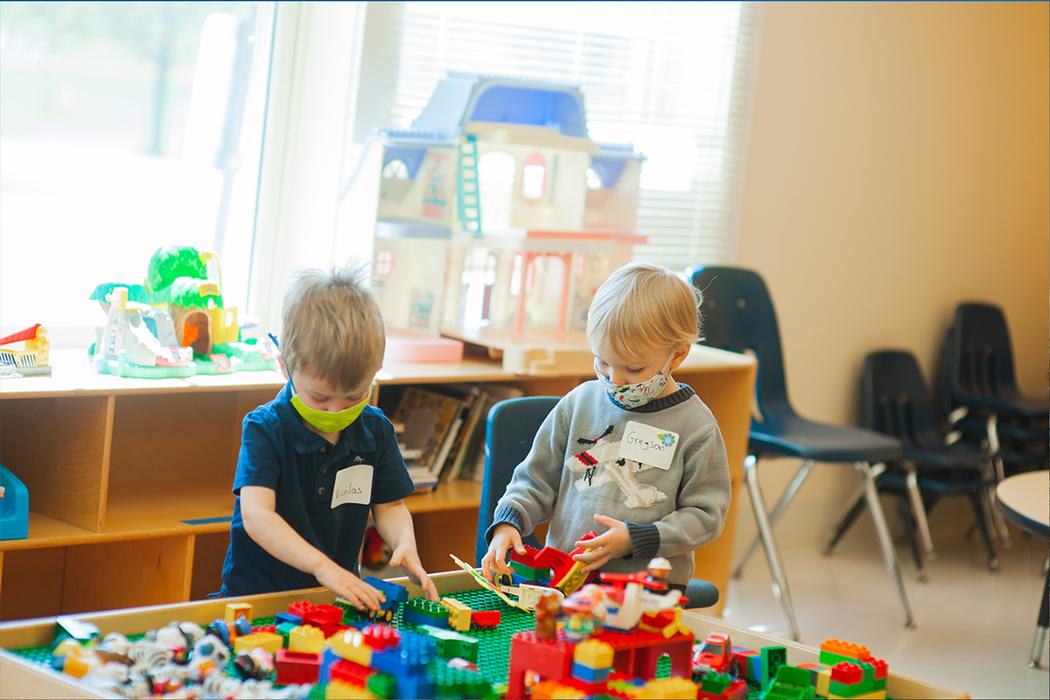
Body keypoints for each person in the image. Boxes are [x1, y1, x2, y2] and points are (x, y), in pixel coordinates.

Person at [482, 262, 730, 587]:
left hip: (646, 589)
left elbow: (705, 516)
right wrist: (509, 522)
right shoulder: (579, 403)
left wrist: (637, 538)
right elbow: (535, 479)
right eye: (602, 362)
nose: (615, 379)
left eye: (634, 368)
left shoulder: (695, 426)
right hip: (565, 580)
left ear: (677, 356)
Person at [220, 264, 437, 610]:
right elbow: (258, 516)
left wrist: (404, 542)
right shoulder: (265, 428)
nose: (336, 412)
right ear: (285, 366)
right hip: (258, 600)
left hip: (334, 598)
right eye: (320, 398)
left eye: (353, 397)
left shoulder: (375, 431)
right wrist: (323, 567)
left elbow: (390, 505)